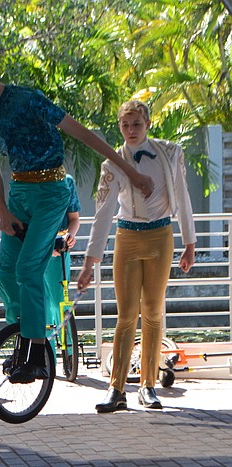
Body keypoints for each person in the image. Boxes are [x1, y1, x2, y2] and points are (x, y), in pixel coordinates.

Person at [0, 44, 153, 383]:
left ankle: (37, 355)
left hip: (51, 191)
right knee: (5, 272)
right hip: (18, 192)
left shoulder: (28, 99)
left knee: (28, 268)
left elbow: (83, 134)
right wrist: (2, 211)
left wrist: (131, 172)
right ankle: (23, 340)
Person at [77, 100, 196, 412]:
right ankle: (116, 388)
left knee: (154, 311)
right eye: (125, 125)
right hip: (127, 237)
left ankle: (148, 385)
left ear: (147, 124)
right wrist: (90, 262)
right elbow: (103, 214)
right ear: (120, 127)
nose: (131, 130)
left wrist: (190, 242)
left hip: (160, 236)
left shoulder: (170, 152)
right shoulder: (113, 163)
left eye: (136, 124)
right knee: (127, 313)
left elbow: (182, 196)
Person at [44, 174, 81, 359]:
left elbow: (74, 219)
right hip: (37, 247)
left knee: (60, 299)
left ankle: (69, 354)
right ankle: (46, 356)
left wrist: (70, 236)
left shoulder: (67, 181)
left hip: (60, 249)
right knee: (41, 303)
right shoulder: (27, 181)